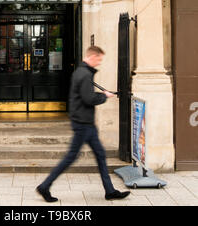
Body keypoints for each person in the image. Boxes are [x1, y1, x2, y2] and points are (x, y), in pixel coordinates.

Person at [36, 46, 130, 202]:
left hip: (85, 123)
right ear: (92, 57)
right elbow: (89, 99)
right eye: (99, 59)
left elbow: (84, 96)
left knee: (99, 155)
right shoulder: (84, 74)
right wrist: (104, 96)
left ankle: (110, 190)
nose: (99, 63)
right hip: (83, 124)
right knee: (71, 158)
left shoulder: (81, 72)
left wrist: (100, 96)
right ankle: (45, 186)